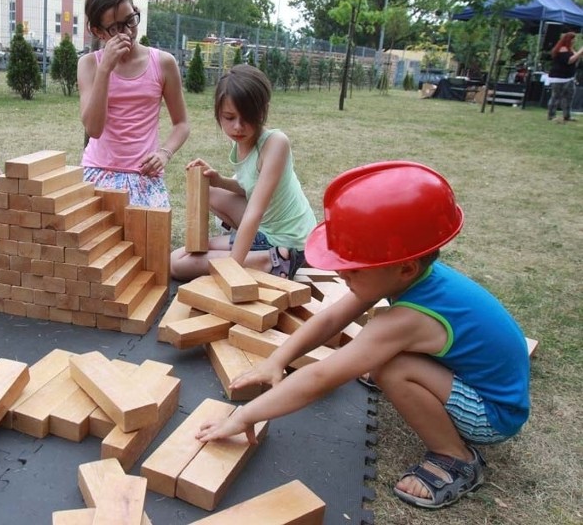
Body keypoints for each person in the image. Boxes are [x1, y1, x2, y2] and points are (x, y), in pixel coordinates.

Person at [195, 161, 530, 510]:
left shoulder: (409, 317)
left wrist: (246, 415)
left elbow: (322, 377)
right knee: (381, 350)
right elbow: (330, 320)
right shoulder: (409, 276)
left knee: (390, 367)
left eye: (352, 267)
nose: (341, 271)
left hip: (494, 414)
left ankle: (456, 457)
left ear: (404, 267)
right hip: (479, 381)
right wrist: (277, 360)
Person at [169, 65, 316, 281]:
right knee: (208, 194)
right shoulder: (241, 143)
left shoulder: (275, 143)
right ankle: (263, 256)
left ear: (263, 110)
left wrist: (232, 269)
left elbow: (254, 212)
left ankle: (272, 260)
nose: (238, 127)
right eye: (229, 117)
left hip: (291, 240)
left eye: (247, 117)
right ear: (218, 112)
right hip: (266, 229)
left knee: (178, 263)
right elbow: (251, 188)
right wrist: (219, 180)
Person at [78, 0, 189, 208]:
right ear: (97, 31)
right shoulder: (89, 65)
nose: (128, 32)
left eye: (130, 20)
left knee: (148, 240)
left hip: (144, 175)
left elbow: (182, 124)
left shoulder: (163, 63)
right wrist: (105, 69)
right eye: (115, 28)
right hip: (98, 171)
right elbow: (93, 129)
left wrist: (164, 154)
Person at [547, 31, 583, 123]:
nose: (574, 41)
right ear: (568, 40)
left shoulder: (570, 49)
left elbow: (576, 59)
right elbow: (569, 61)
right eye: (573, 39)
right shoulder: (562, 49)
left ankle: (567, 116)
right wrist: (580, 52)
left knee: (568, 97)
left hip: (569, 77)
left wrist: (578, 54)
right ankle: (551, 115)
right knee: (556, 97)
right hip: (559, 78)